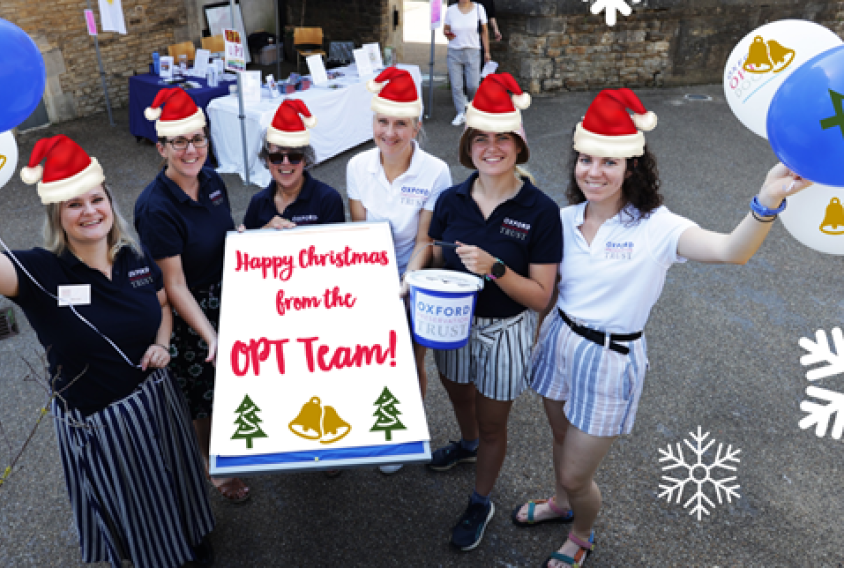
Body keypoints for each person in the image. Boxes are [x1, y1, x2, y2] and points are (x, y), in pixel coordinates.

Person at [515, 89, 810, 568]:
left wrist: (766, 201)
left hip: (610, 359)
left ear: (631, 167)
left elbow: (732, 250)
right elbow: (546, 288)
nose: (593, 171)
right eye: (585, 159)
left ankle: (581, 532)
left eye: (609, 162)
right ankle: (560, 504)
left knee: (576, 470)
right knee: (559, 439)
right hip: (560, 340)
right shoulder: (563, 219)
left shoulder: (656, 227)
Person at [0, 125, 215, 568]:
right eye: (74, 203)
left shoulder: (132, 255)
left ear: (110, 203)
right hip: (104, 420)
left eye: (97, 199)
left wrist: (164, 344)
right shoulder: (40, 273)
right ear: (57, 214)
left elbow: (162, 303)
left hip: (157, 398)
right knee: (140, 503)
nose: (89, 211)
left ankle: (190, 536)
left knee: (178, 479)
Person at [423, 73, 562, 551]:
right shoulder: (451, 200)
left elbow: (543, 297)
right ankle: (466, 446)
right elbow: (436, 259)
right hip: (452, 325)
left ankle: (481, 498)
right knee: (458, 395)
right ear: (468, 146)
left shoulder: (539, 210)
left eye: (503, 137)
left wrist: (496, 268)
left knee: (493, 423)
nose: (492, 147)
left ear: (518, 145)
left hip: (504, 329)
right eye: (481, 137)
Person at [134, 88, 249, 504]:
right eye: (179, 141)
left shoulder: (213, 180)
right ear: (162, 147)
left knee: (233, 382)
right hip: (188, 310)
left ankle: (233, 444)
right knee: (204, 396)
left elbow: (224, 233)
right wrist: (209, 335)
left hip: (227, 292)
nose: (191, 149)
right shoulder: (156, 208)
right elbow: (174, 285)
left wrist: (250, 241)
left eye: (198, 138)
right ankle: (209, 463)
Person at [347, 67, 453, 473]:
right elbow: (360, 232)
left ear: (416, 127)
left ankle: (405, 430)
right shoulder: (358, 166)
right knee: (372, 359)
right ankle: (377, 424)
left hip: (415, 276)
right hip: (369, 278)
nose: (390, 132)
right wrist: (373, 284)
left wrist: (405, 282)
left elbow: (426, 238)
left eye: (400, 124)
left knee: (409, 361)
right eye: (383, 121)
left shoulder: (435, 171)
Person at [243, 99, 345, 230]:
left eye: (294, 156)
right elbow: (247, 247)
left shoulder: (328, 199)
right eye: (276, 157)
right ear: (267, 160)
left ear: (305, 159)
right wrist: (264, 232)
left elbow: (336, 247)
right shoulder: (257, 202)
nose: (285, 163)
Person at [444, 0, 490, 127]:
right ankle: (461, 112)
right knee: (456, 85)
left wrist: (487, 51)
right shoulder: (450, 11)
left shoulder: (479, 9)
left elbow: (484, 31)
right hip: (454, 52)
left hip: (473, 51)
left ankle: (472, 109)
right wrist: (447, 34)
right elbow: (446, 29)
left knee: (473, 85)